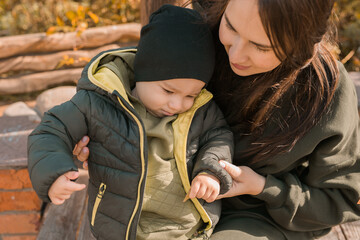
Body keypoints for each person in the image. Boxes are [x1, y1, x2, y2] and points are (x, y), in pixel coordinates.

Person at [72, 0, 360, 239]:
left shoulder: (325, 94)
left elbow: (338, 201)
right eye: (230, 27)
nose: (236, 53)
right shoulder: (193, 33)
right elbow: (127, 83)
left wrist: (263, 186)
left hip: (257, 217)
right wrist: (97, 132)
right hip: (165, 206)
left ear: (302, 48)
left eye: (261, 47)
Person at [27, 5, 234, 240]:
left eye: (190, 95)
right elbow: (51, 130)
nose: (177, 104)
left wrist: (211, 171)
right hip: (121, 229)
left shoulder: (201, 110)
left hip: (185, 228)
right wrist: (54, 172)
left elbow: (219, 136)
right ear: (142, 72)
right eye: (168, 91)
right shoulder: (99, 103)